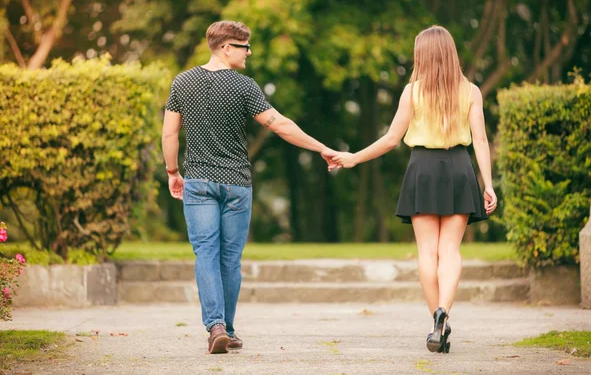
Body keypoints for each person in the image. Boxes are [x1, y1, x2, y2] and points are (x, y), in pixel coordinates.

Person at [162, 20, 336, 354]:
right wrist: (320, 148)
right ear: (226, 48)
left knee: (206, 254)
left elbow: (169, 134)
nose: (249, 52)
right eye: (244, 46)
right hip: (237, 185)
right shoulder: (245, 87)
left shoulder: (182, 83)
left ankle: (215, 327)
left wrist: (172, 171)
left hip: (198, 182)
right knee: (230, 259)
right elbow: (281, 125)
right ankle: (227, 327)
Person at [327, 25, 497, 354]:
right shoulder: (471, 91)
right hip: (460, 169)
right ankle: (443, 314)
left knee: (426, 253)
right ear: (450, 54)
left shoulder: (413, 91)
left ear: (422, 55)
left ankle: (437, 322)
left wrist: (353, 158)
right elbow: (481, 140)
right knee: (450, 252)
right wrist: (487, 184)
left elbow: (391, 139)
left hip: (422, 170)